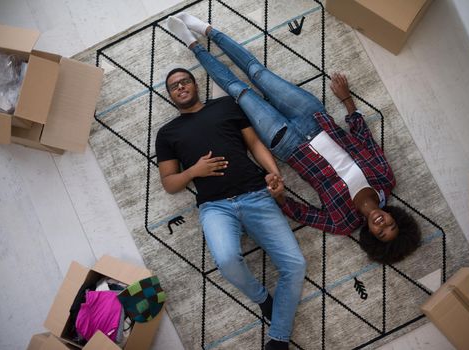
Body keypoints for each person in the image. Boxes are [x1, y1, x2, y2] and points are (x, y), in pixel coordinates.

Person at [165, 13, 421, 266]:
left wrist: (278, 196)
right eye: (391, 225)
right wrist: (346, 100)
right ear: (394, 217)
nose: (382, 225)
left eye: (381, 234)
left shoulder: (342, 222)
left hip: (287, 144)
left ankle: (193, 45)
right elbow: (366, 140)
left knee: (237, 90)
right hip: (313, 118)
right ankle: (207, 30)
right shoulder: (385, 180)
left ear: (372, 236)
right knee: (257, 72)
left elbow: (299, 212)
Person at [156, 33, 306, 350]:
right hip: (215, 207)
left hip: (256, 194)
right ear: (170, 95)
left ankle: (278, 338)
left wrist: (274, 173)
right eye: (174, 86)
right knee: (225, 260)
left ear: (195, 85)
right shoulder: (167, 133)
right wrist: (193, 172)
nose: (181, 86)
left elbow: (254, 143)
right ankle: (263, 298)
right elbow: (169, 184)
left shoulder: (225, 106)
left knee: (295, 265)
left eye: (185, 81)